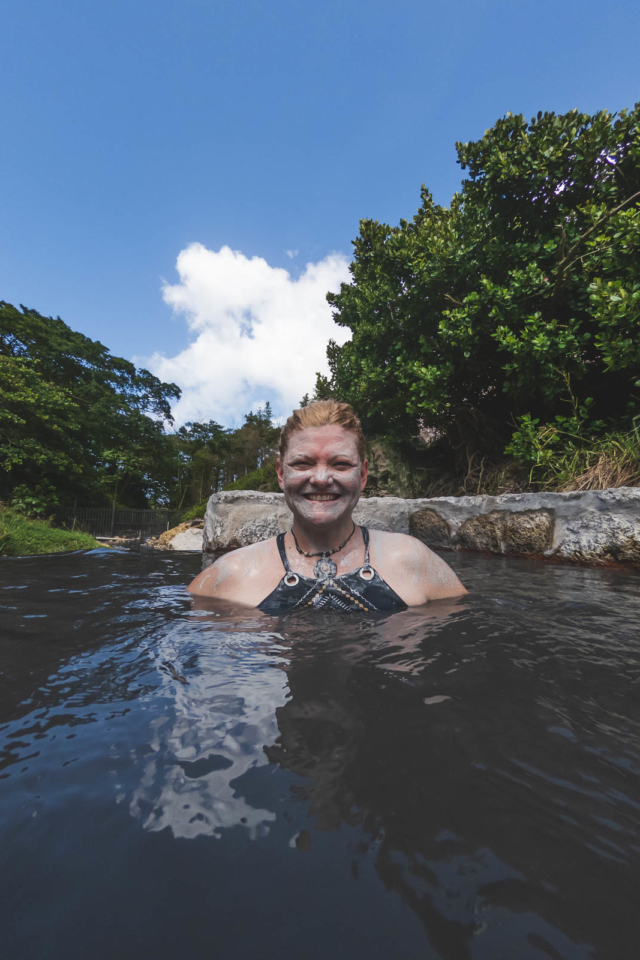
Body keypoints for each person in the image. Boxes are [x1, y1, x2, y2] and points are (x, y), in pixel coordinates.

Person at [187, 400, 466, 612]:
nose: (321, 479)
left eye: (340, 464)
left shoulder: (415, 561)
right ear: (281, 474)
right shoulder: (228, 576)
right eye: (303, 463)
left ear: (363, 475)